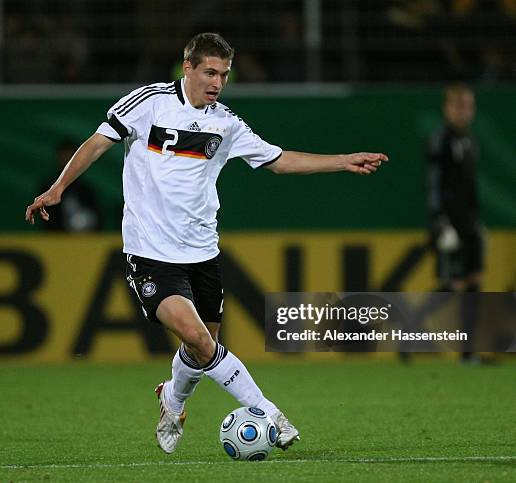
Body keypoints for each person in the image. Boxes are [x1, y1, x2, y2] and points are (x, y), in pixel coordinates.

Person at [26, 32, 388, 454]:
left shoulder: (226, 123)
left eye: (225, 74)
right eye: (210, 72)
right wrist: (58, 188)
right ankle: (269, 411)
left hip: (202, 253)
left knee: (201, 350)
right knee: (200, 340)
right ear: (188, 68)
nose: (217, 82)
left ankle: (172, 400)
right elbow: (96, 143)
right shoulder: (148, 103)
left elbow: (278, 161)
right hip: (150, 253)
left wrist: (342, 162)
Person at [426, 83, 485, 362]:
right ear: (447, 109)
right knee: (457, 284)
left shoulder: (471, 140)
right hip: (449, 220)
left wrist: (477, 222)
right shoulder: (440, 140)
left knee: (474, 280)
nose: (464, 112)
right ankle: (411, 325)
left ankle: (468, 352)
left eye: (468, 106)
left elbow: (470, 187)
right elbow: (434, 184)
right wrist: (440, 220)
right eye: (458, 105)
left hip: (469, 220)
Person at [39, 140, 103, 233]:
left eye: (72, 158)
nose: (68, 161)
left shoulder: (86, 190)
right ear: (58, 157)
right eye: (65, 156)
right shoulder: (47, 188)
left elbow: (97, 220)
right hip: (55, 240)